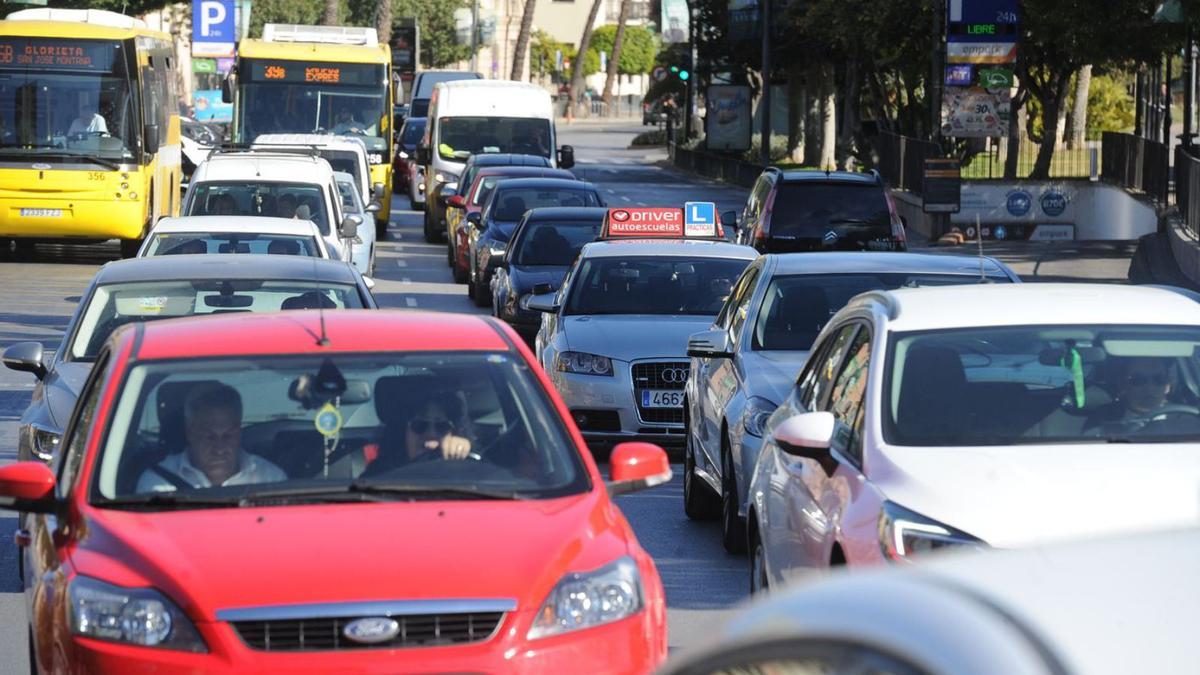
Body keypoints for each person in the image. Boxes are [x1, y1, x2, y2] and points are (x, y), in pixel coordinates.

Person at [136, 384, 286, 492]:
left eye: (228, 435)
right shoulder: (158, 483)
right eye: (209, 436)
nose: (219, 447)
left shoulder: (271, 479)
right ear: (189, 432)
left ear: (239, 432)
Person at [1085, 358, 1181, 434]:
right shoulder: (1102, 419)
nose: (1150, 388)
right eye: (1138, 380)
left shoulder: (1185, 418)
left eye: (1159, 379)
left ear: (1168, 385)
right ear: (1122, 384)